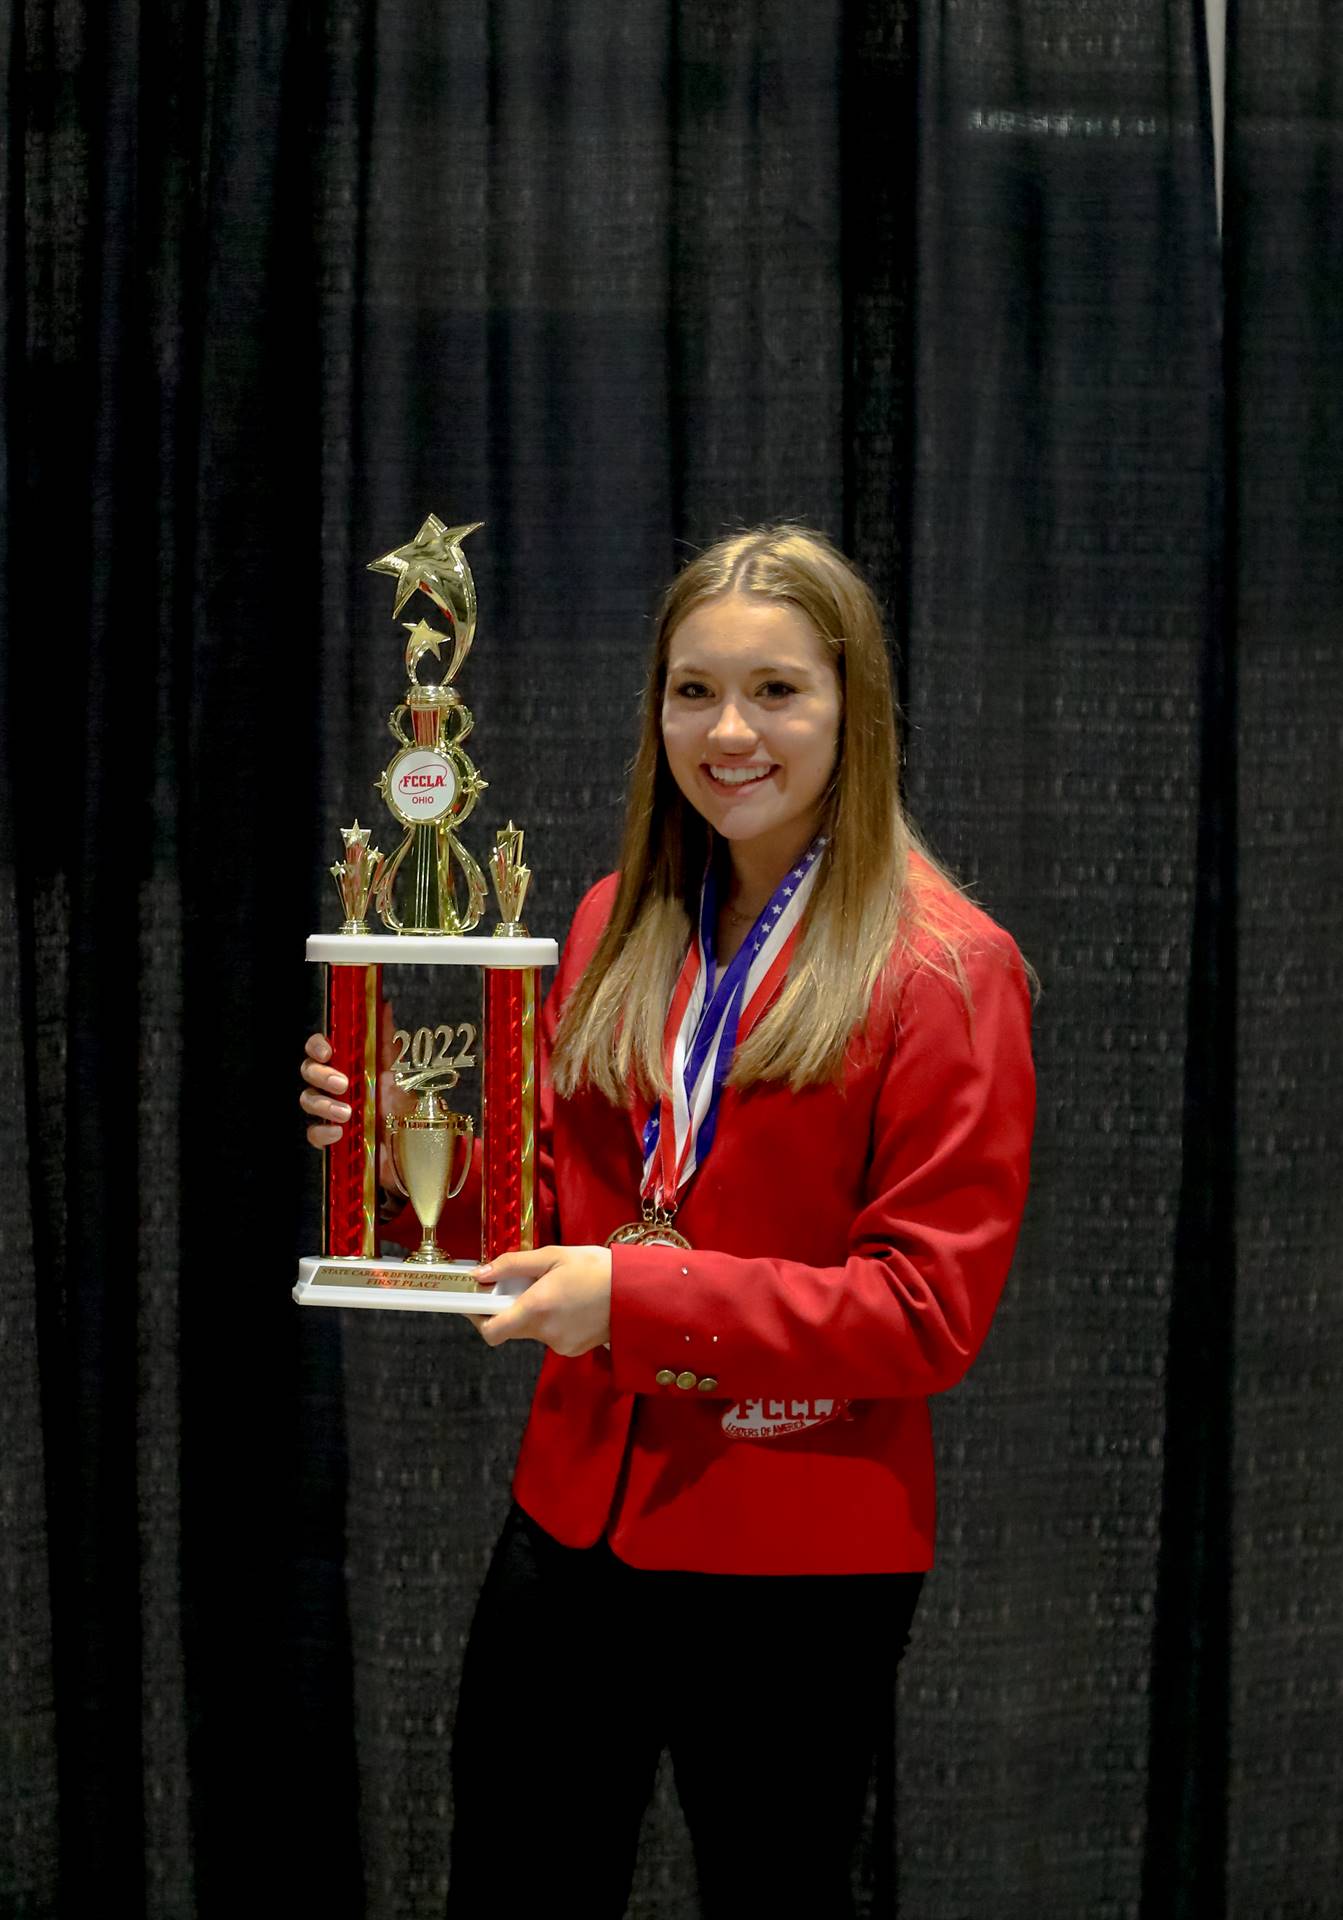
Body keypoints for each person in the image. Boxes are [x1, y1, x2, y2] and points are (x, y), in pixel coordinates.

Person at [299, 525, 1035, 1916]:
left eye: (776, 690)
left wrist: (636, 1303)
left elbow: (926, 1315)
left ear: (850, 709)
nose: (729, 729)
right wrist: (398, 1150)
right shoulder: (609, 924)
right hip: (573, 1515)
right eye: (692, 690)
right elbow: (546, 1206)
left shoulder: (947, 967)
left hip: (797, 1555)